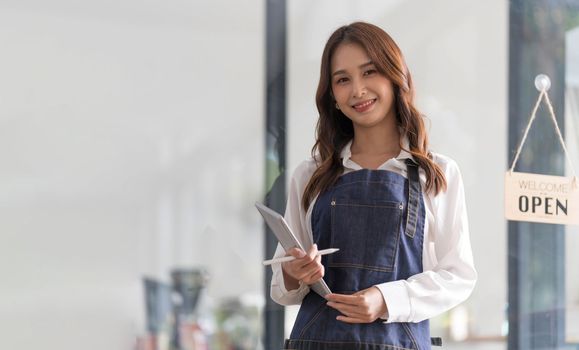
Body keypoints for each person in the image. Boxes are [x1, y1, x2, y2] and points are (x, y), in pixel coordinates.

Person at [269, 21, 477, 349]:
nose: (358, 90)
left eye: (369, 72)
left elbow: (458, 276)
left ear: (396, 77)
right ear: (333, 97)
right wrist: (296, 271)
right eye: (342, 80)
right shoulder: (310, 175)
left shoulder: (436, 173)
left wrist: (386, 299)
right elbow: (283, 289)